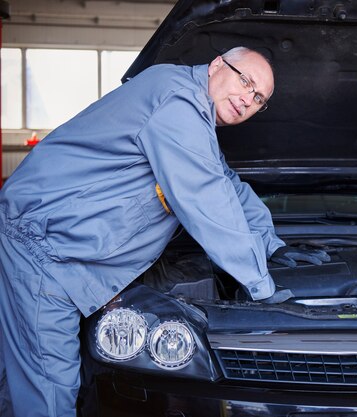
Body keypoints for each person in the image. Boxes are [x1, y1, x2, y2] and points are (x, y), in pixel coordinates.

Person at [0, 47, 329, 417]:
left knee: (17, 382)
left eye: (258, 99)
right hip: (45, 248)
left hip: (64, 250)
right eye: (245, 81)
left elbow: (227, 184)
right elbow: (205, 197)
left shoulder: (193, 116)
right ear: (218, 63)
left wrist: (273, 247)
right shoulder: (176, 98)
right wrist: (262, 286)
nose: (247, 99)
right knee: (48, 390)